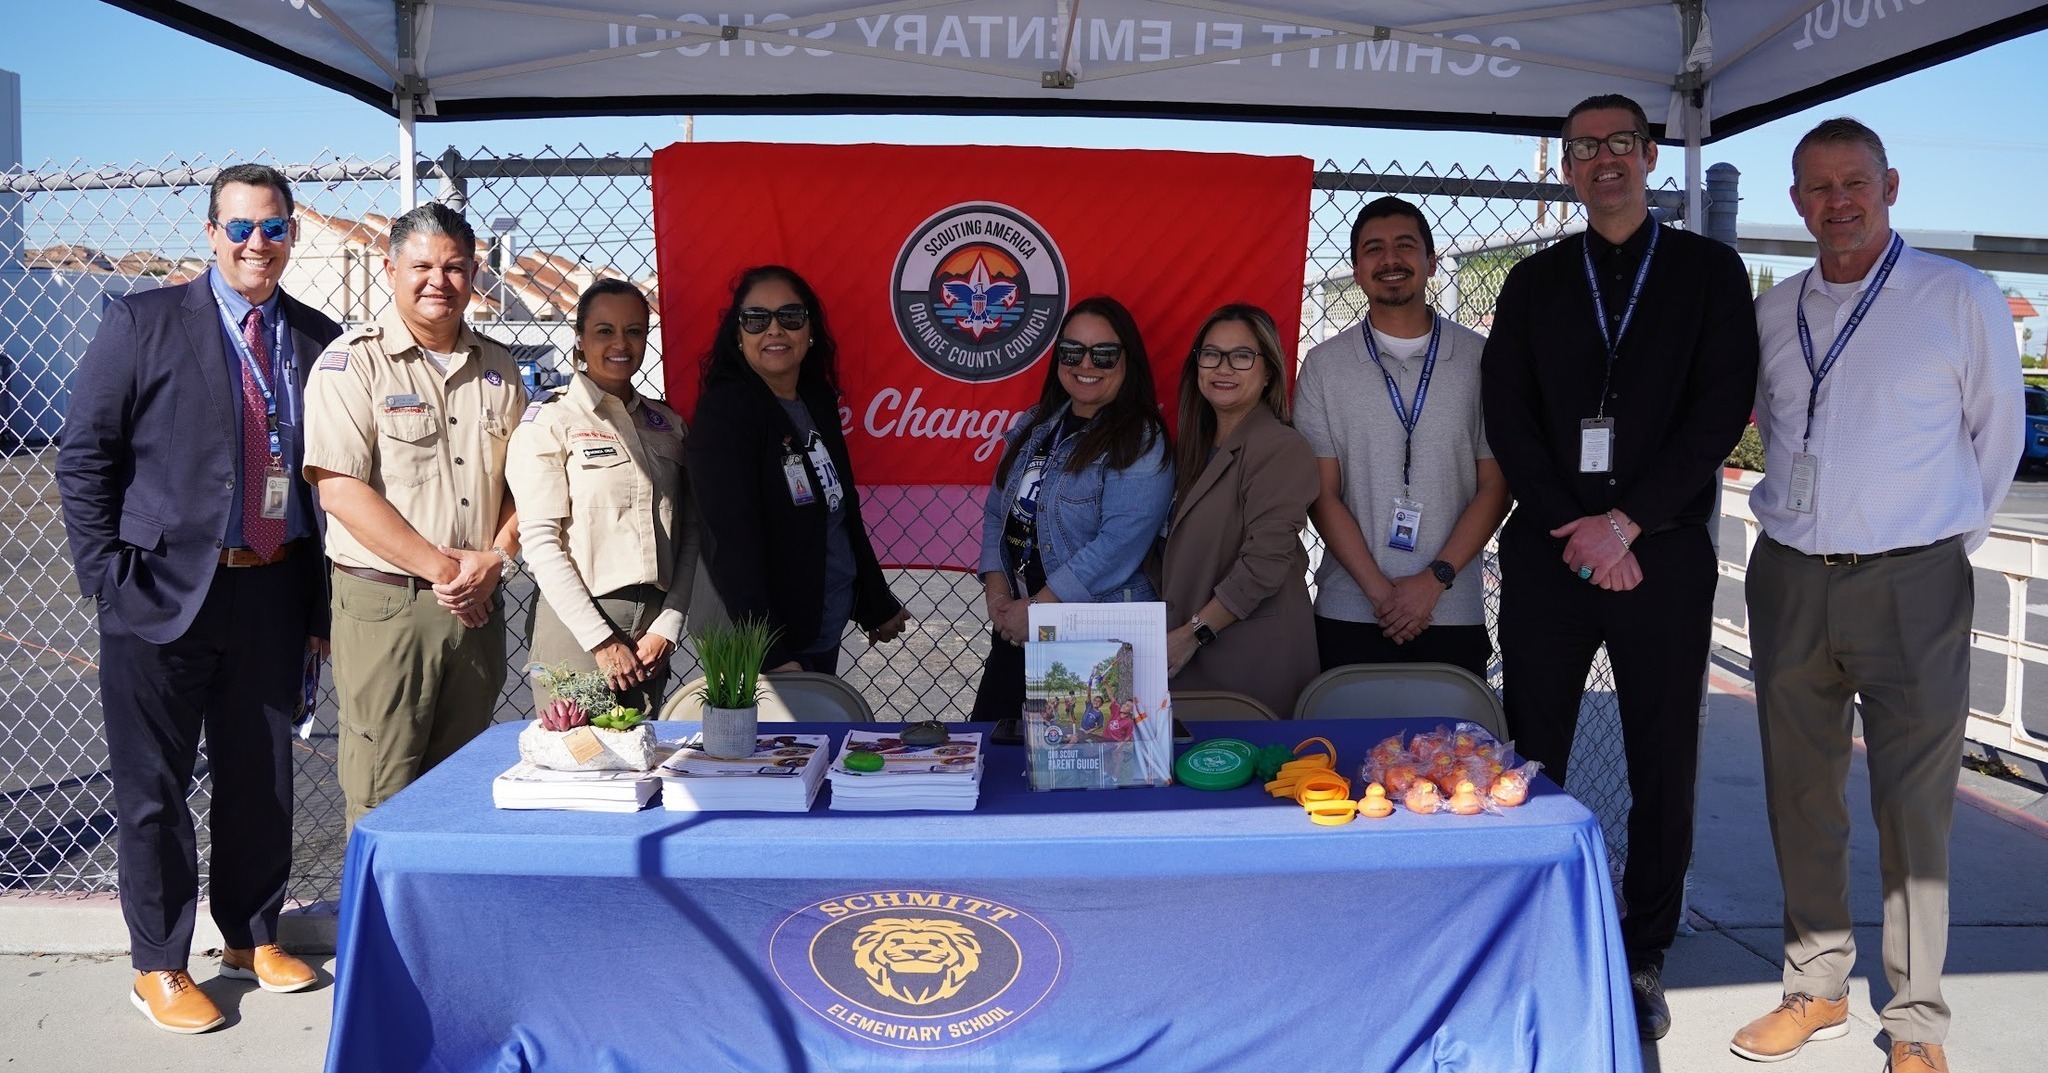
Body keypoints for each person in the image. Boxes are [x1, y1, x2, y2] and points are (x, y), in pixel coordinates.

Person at [1730, 119, 2021, 1073]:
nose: (1837, 202)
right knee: (1802, 794)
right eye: (1816, 188)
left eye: (1854, 182)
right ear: (1795, 201)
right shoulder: (1774, 312)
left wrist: (1938, 544)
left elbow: (1996, 436)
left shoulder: (1957, 294)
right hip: (1792, 575)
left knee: (1915, 805)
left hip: (1914, 579)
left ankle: (1917, 1024)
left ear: (1890, 185)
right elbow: (1776, 425)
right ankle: (1815, 986)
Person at [1480, 93, 1760, 1039]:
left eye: (1620, 145)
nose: (1604, 160)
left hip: (1664, 550)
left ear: (1649, 155)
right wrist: (1577, 526)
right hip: (1553, 549)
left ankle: (1642, 948)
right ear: (1565, 167)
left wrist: (1629, 524)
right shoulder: (1532, 281)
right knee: (1532, 747)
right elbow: (1509, 418)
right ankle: (1530, 924)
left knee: (1661, 756)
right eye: (1583, 148)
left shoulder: (1710, 273)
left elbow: (1719, 411)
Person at [56, 164, 336, 1032]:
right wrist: (105, 576)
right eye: (242, 227)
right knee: (155, 788)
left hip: (271, 588)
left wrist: (317, 608)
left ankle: (251, 935)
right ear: (211, 234)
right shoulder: (142, 320)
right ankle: (159, 964)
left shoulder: (316, 336)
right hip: (158, 596)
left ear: (294, 235)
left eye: (275, 228)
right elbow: (84, 455)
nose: (258, 243)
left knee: (262, 780)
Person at [303, 202, 527, 823]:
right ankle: (382, 923)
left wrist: (497, 557)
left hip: (478, 604)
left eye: (454, 267)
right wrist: (445, 571)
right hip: (389, 607)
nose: (439, 280)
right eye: (422, 265)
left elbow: (524, 488)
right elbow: (340, 490)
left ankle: (445, 923)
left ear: (475, 272)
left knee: (464, 788)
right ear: (390, 268)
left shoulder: (501, 370)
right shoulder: (353, 365)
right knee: (385, 792)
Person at [1295, 196, 1508, 681]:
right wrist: (1380, 593)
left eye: (1405, 246)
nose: (1390, 260)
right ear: (1355, 267)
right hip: (1350, 608)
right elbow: (1321, 493)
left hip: (1451, 609)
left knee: (1456, 758)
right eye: (1373, 249)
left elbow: (1496, 487)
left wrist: (1433, 583)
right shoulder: (1325, 365)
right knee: (1347, 755)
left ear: (1431, 261)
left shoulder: (1482, 359)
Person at [687, 265, 910, 674]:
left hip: (818, 629)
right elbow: (729, 543)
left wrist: (874, 602)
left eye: (789, 317)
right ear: (739, 336)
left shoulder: (814, 402)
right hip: (765, 645)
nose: (773, 330)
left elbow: (842, 511)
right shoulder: (726, 414)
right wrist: (770, 653)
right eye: (756, 319)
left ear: (809, 331)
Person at [971, 296, 1174, 722]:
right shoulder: (1035, 424)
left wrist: (1040, 611)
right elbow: (996, 511)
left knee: (1077, 766)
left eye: (1104, 353)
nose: (1086, 363)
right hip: (1019, 626)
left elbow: (1118, 545)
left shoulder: (1141, 440)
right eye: (1072, 351)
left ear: (1127, 360)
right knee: (996, 752)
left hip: (1093, 636)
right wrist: (999, 598)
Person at [507, 279, 698, 714]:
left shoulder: (666, 424)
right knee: (578, 767)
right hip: (580, 624)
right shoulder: (550, 421)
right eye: (604, 330)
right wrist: (602, 639)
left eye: (634, 330)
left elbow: (690, 531)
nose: (621, 343)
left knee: (639, 767)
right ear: (579, 338)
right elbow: (540, 543)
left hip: (652, 628)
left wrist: (668, 623)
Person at [1161, 303, 1319, 716]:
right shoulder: (1194, 451)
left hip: (1247, 669)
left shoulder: (1280, 448)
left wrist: (1193, 634)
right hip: (1194, 661)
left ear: (1268, 372)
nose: (1223, 367)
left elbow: (1263, 563)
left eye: (1242, 356)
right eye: (1211, 354)